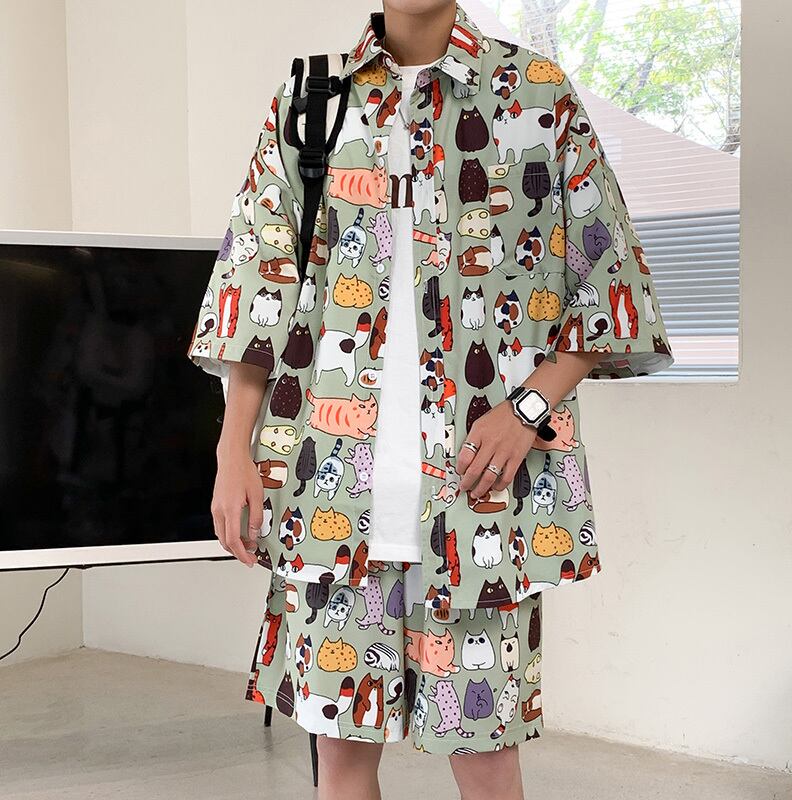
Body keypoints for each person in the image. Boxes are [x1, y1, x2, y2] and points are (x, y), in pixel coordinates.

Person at [185, 1, 675, 798]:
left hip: (480, 496)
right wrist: (231, 448)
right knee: (341, 761)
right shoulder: (311, 99)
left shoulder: (535, 92)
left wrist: (527, 411)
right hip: (329, 489)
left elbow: (607, 279)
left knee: (487, 764)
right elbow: (256, 281)